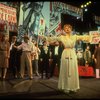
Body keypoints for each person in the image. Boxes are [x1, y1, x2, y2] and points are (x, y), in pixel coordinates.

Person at [40, 24, 93, 93]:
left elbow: (83, 37)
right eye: (65, 28)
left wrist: (91, 36)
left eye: (68, 28)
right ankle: (65, 87)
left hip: (72, 53)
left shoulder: (75, 36)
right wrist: (45, 38)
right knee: (65, 70)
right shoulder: (62, 37)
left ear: (71, 29)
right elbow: (54, 38)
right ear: (64, 30)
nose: (67, 29)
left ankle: (73, 87)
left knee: (73, 69)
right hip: (65, 53)